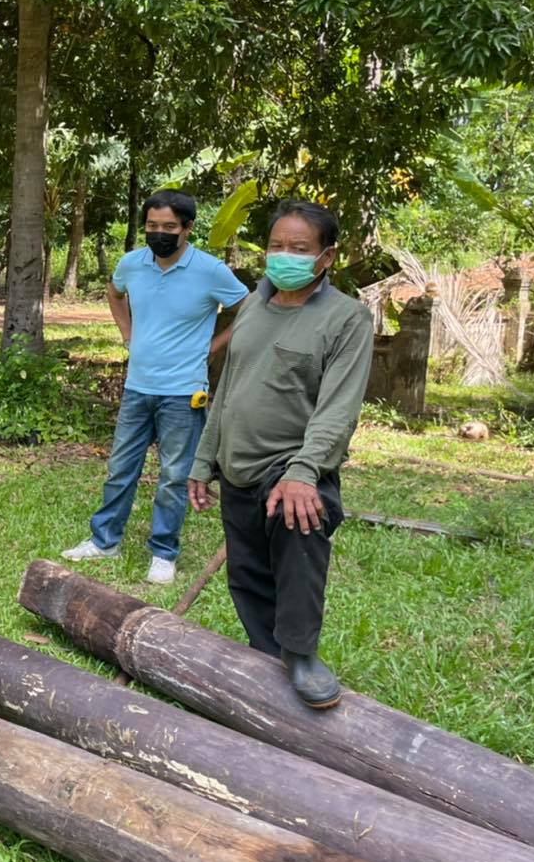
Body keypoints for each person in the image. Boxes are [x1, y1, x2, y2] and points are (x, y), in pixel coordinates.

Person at [188, 200, 374, 709]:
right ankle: (265, 655)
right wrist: (204, 461)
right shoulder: (252, 305)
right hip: (238, 464)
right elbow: (228, 389)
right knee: (246, 572)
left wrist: (305, 472)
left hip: (291, 465)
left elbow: (338, 409)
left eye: (299, 248)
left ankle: (300, 652)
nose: (284, 256)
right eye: (276, 246)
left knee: (299, 535)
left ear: (326, 257)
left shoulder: (346, 319)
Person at [64, 189, 248, 583]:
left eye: (168, 227)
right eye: (151, 226)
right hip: (137, 386)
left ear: (187, 228)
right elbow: (114, 294)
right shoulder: (131, 263)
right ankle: (104, 542)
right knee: (120, 469)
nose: (158, 234)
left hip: (184, 392)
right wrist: (127, 333)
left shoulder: (210, 270)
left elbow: (247, 307)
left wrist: (212, 347)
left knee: (174, 475)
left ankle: (163, 553)